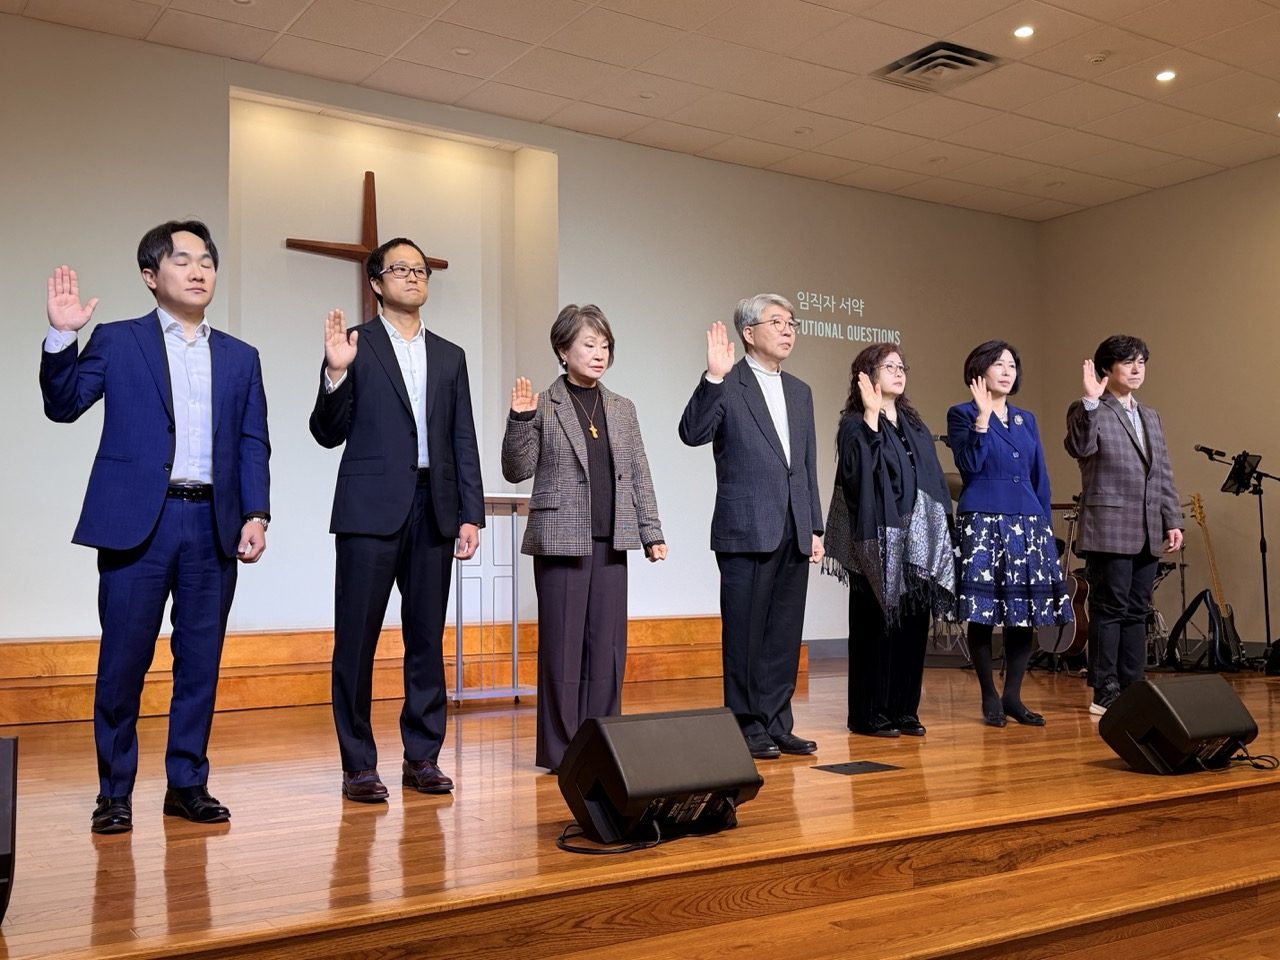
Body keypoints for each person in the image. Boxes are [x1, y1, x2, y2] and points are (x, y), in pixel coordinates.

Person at [40, 220, 271, 834]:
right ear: (151, 275)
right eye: (183, 260)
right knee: (123, 663)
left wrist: (256, 513)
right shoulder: (118, 341)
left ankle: (187, 784)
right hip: (137, 524)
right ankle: (114, 792)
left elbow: (252, 442)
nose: (199, 271)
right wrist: (62, 337)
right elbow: (63, 405)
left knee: (200, 662)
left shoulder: (241, 357)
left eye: (207, 261)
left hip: (213, 525)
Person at [310, 237, 484, 802]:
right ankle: (358, 764)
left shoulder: (451, 355)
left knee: (426, 639)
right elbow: (326, 432)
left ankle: (422, 757)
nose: (413, 276)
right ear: (376, 283)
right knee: (356, 641)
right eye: (400, 269)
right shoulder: (355, 345)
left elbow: (463, 438)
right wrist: (335, 374)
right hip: (369, 510)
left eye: (420, 269)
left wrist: (470, 514)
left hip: (435, 507)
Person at [501, 304, 666, 771]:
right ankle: (561, 750)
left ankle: (603, 744)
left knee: (608, 649)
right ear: (562, 349)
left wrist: (651, 532)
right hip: (560, 539)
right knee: (563, 648)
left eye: (605, 346)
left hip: (612, 539)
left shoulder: (622, 408)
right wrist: (519, 421)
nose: (599, 354)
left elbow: (638, 473)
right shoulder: (543, 404)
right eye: (589, 345)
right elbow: (516, 469)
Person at [679, 295, 824, 761]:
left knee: (783, 634)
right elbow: (692, 433)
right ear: (748, 332)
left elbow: (805, 465)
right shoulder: (729, 382)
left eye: (791, 322)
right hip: (746, 528)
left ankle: (778, 722)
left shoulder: (800, 391)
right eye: (776, 322)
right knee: (744, 634)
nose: (787, 330)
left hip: (794, 527)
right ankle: (745, 725)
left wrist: (814, 526)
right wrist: (713, 378)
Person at [824, 344, 954, 738]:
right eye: (889, 366)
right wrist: (870, 416)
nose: (899, 372)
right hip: (876, 542)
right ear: (867, 375)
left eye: (902, 366)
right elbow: (856, 475)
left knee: (912, 628)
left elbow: (932, 480)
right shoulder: (853, 424)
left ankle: (904, 710)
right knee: (874, 629)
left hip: (917, 542)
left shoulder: (914, 425)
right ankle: (868, 714)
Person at [947, 340, 1071, 728]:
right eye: (998, 364)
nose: (1007, 371)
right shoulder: (962, 413)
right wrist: (983, 420)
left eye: (1012, 365)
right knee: (983, 611)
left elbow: (1039, 475)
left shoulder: (1026, 419)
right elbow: (969, 465)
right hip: (983, 519)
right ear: (979, 371)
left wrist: (1044, 525)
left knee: (1025, 612)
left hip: (1028, 520)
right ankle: (989, 695)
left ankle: (1013, 696)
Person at [1065, 335, 1182, 716]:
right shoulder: (1089, 409)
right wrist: (1090, 401)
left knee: (1137, 610)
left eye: (1141, 362)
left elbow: (1162, 472)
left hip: (1148, 527)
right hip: (1109, 527)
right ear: (1107, 368)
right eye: (1128, 362)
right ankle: (1105, 690)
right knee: (1109, 608)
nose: (1136, 369)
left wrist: (1172, 519)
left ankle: (1133, 686)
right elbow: (1081, 447)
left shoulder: (1151, 415)